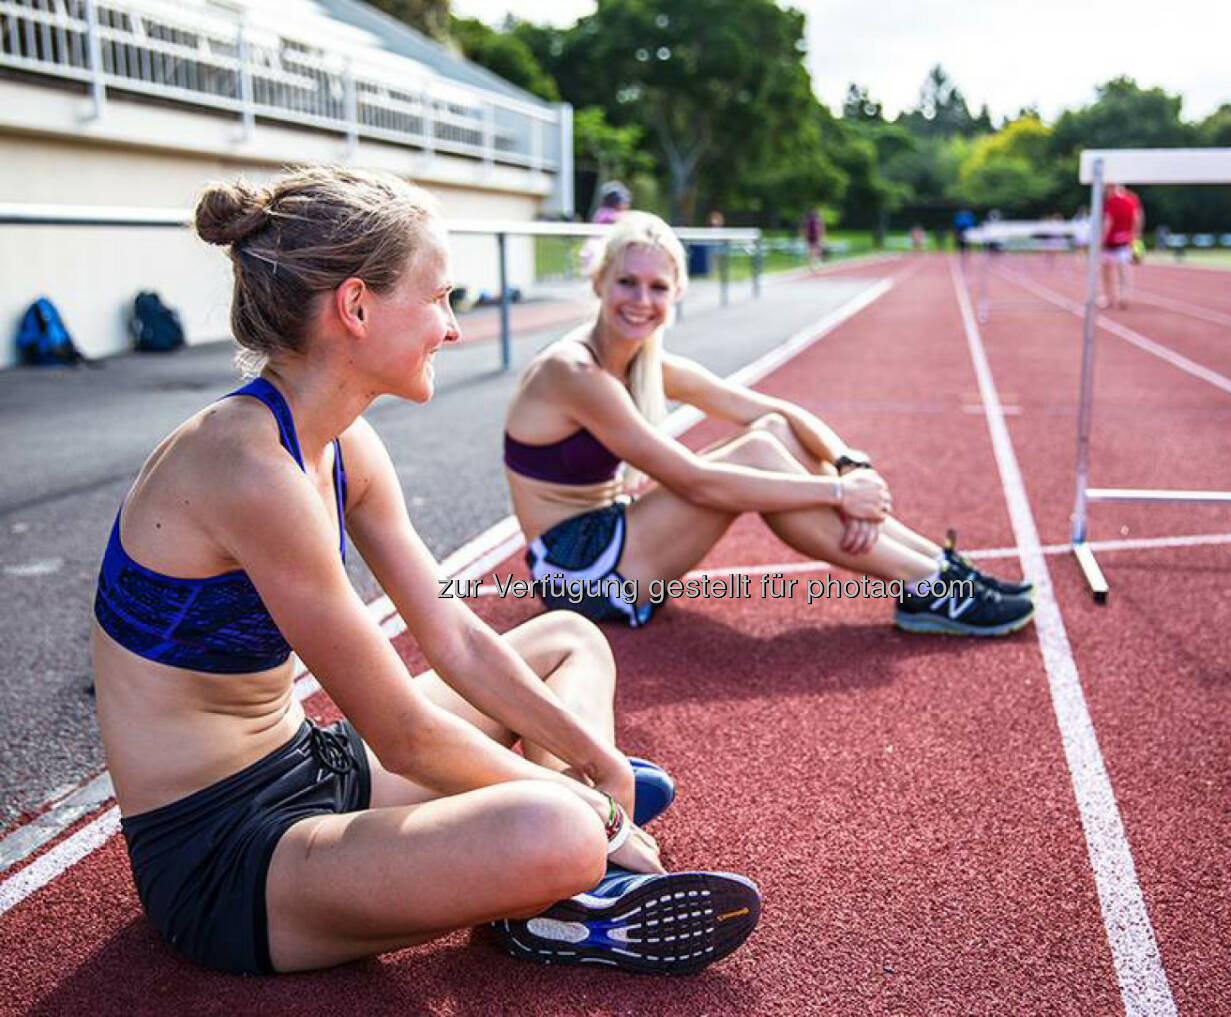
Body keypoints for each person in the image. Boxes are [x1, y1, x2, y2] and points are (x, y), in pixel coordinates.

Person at [91, 165, 759, 978]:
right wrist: (597, 815)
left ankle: (544, 879)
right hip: (229, 855)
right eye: (438, 297)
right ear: (356, 306)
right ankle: (555, 871)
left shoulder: (345, 444)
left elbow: (453, 635)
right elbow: (402, 733)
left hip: (312, 766)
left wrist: (598, 759)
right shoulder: (245, 467)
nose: (450, 326)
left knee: (570, 640)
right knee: (561, 830)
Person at [502, 211, 1035, 637]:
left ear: (677, 293)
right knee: (756, 454)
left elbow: (774, 411)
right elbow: (694, 480)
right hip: (578, 574)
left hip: (614, 542)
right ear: (599, 283)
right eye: (627, 283)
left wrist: (850, 464)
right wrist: (835, 491)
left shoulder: (642, 360)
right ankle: (930, 584)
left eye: (657, 288)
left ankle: (936, 568)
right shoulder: (574, 372)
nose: (642, 301)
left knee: (773, 435)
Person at [1100, 183, 1144, 309]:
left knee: (1107, 271)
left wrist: (1101, 240)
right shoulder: (1131, 200)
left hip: (1110, 242)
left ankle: (1109, 297)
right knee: (1124, 270)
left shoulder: (1111, 202)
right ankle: (1124, 295)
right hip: (1126, 240)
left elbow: (1108, 221)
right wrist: (1135, 235)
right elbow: (1137, 218)